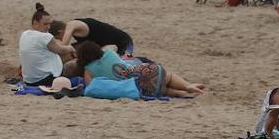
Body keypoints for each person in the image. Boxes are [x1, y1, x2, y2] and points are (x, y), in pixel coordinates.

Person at [75, 41, 205, 98]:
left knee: (163, 90)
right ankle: (187, 86)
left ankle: (181, 93)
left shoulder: (88, 69)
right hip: (143, 71)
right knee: (168, 77)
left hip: (138, 87)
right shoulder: (108, 52)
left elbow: (92, 87)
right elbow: (114, 46)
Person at [20, 5, 75, 86]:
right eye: (45, 24)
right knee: (74, 65)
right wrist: (72, 48)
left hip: (29, 81)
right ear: (35, 23)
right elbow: (61, 50)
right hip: (46, 79)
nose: (48, 27)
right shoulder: (45, 36)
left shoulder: (25, 34)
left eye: (49, 24)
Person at [54, 15, 134, 56]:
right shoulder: (75, 32)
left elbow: (63, 47)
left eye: (60, 38)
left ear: (60, 31)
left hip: (124, 43)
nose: (62, 39)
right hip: (111, 46)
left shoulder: (72, 24)